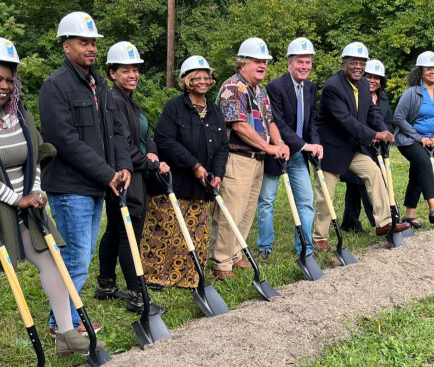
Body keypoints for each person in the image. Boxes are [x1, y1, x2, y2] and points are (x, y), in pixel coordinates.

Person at [0, 37, 104, 365]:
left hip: (26, 207)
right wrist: (15, 199)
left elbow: (35, 154)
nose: (5, 86)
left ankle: (66, 334)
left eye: (10, 79)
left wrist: (34, 192)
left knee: (52, 261)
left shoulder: (18, 111)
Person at [38, 12, 132, 334]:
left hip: (95, 185)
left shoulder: (100, 85)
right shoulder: (56, 86)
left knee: (84, 254)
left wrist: (123, 166)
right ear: (66, 46)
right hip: (69, 187)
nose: (91, 48)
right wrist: (107, 173)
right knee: (77, 257)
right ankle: (64, 324)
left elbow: (116, 132)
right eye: (83, 42)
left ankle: (64, 320)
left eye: (93, 42)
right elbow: (64, 141)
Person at [140, 55, 229, 288]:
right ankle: (156, 277)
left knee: (195, 231)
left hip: (202, 185)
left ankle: (188, 277)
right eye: (196, 77)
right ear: (187, 81)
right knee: (166, 230)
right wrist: (194, 165)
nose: (202, 81)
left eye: (206, 77)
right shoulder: (174, 108)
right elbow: (165, 140)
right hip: (175, 181)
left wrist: (217, 174)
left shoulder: (215, 111)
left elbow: (222, 146)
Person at [95, 42, 169, 314]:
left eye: (136, 70)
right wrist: (151, 164)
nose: (133, 75)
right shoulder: (113, 101)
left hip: (137, 172)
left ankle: (106, 284)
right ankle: (138, 296)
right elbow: (123, 147)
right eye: (126, 70)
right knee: (130, 234)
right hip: (126, 176)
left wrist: (152, 155)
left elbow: (145, 137)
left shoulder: (129, 100)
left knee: (115, 230)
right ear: (112, 73)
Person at [314, 42, 410, 243]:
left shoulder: (364, 84)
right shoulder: (333, 87)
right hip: (331, 149)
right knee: (326, 196)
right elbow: (347, 121)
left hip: (352, 147)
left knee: (374, 173)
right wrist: (375, 134)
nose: (358, 66)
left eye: (362, 63)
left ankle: (384, 222)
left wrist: (383, 129)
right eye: (353, 62)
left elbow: (372, 111)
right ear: (343, 65)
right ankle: (319, 238)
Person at [210, 38, 289, 280]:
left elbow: (270, 121)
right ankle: (221, 262)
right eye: (257, 61)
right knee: (230, 211)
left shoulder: (259, 90)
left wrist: (280, 143)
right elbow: (239, 126)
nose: (262, 65)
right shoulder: (233, 87)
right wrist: (269, 146)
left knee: (247, 210)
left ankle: (235, 254)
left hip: (258, 158)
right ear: (242, 64)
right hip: (237, 157)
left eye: (264, 61)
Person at [258, 37, 323, 258]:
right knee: (267, 200)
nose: (304, 66)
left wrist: (315, 143)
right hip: (276, 150)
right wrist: (304, 145)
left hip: (298, 155)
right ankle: (265, 245)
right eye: (300, 62)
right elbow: (278, 122)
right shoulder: (275, 86)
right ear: (290, 63)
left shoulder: (311, 88)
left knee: (305, 201)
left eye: (308, 62)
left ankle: (305, 248)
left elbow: (312, 120)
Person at [394, 51, 434, 227]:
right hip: (408, 140)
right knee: (426, 165)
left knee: (418, 175)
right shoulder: (412, 93)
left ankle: (409, 215)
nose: (433, 71)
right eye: (428, 68)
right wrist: (420, 138)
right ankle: (433, 208)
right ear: (420, 72)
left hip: (430, 142)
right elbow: (398, 117)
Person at [340, 59, 393, 233]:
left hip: (376, 150)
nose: (372, 80)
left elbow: (386, 122)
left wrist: (384, 135)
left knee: (363, 183)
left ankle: (350, 223)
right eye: (369, 76)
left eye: (376, 78)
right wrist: (372, 135)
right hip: (356, 146)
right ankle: (376, 222)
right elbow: (352, 123)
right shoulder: (354, 94)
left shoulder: (383, 100)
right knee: (357, 183)